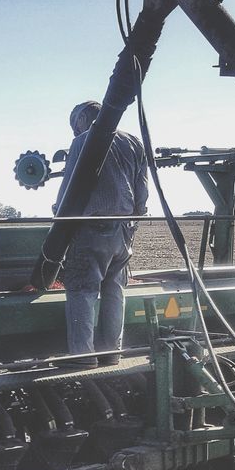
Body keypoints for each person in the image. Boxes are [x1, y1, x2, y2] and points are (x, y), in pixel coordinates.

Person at [52, 101, 149, 367]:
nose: (74, 131)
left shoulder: (83, 141)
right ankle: (112, 354)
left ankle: (83, 357)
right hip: (123, 231)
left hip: (92, 230)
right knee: (114, 290)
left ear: (84, 118)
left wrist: (58, 214)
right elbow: (142, 194)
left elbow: (69, 187)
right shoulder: (134, 143)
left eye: (74, 124)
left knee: (82, 290)